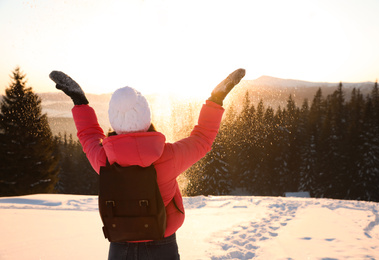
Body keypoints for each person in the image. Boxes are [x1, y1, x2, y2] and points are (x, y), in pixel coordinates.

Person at [49, 68, 245, 260]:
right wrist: (216, 99)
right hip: (161, 242)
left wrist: (79, 101)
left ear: (115, 123)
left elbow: (89, 135)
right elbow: (202, 138)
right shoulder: (168, 157)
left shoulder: (104, 160)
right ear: (146, 118)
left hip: (119, 243)